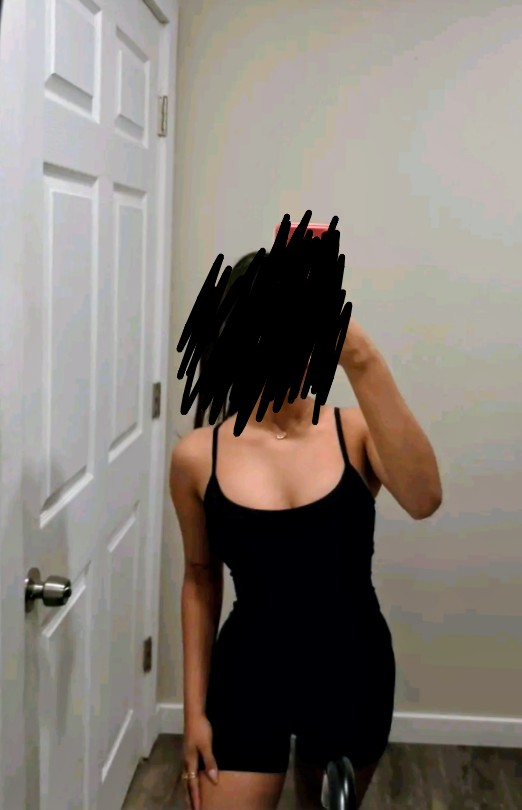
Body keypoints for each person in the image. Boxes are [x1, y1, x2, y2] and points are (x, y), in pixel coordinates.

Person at [170, 254, 442, 810]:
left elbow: (424, 499)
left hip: (352, 673)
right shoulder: (197, 456)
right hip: (248, 674)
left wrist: (361, 357)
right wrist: (194, 712)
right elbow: (199, 578)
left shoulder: (356, 432)